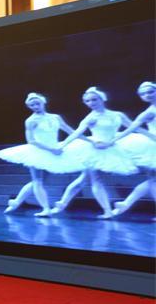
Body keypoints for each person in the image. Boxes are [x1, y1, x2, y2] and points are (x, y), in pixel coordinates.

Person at [52, 87, 138, 218]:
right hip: (95, 149)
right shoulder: (90, 118)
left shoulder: (118, 115)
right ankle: (107, 211)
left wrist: (114, 140)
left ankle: (62, 203)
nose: (91, 103)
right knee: (95, 179)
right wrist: (63, 145)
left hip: (111, 147)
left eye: (94, 99)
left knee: (83, 179)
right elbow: (76, 133)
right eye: (87, 101)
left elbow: (132, 128)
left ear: (102, 99)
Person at [0, 93, 86, 216]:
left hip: (53, 150)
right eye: (32, 105)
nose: (35, 107)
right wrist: (51, 149)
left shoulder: (55, 117)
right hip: (37, 151)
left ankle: (16, 202)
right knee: (37, 180)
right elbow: (31, 141)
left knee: (39, 181)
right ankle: (45, 208)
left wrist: (89, 141)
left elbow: (71, 131)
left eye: (37, 104)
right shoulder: (31, 121)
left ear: (43, 102)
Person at [109, 81, 156, 219]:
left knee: (153, 180)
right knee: (153, 180)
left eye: (150, 92)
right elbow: (131, 128)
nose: (147, 95)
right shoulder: (148, 113)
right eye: (143, 94)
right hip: (153, 146)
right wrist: (112, 141)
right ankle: (125, 203)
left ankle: (125, 203)